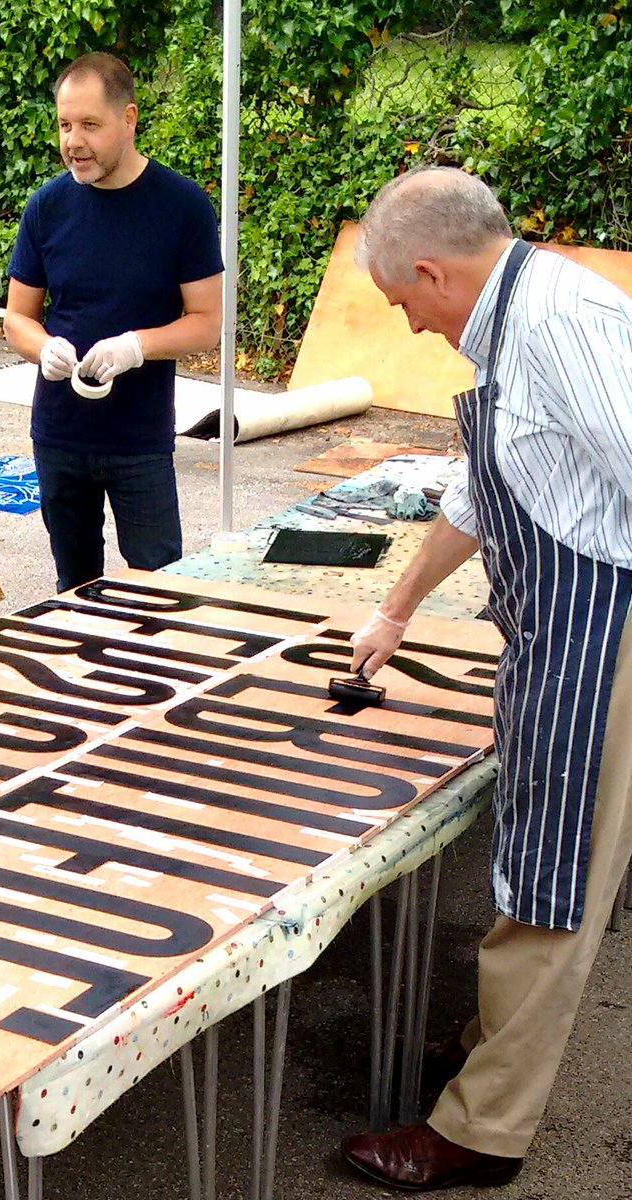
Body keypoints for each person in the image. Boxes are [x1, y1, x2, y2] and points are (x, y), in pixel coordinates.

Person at [340, 167, 632, 1191]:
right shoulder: (515, 316)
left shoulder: (557, 321)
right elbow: (483, 487)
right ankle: (487, 1041)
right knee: (534, 842)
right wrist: (395, 606)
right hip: (559, 625)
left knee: (557, 875)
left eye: (401, 303)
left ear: (430, 270)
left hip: (601, 631)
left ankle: (482, 1128)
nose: (409, 325)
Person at [4, 52, 223, 594]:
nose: (73, 141)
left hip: (139, 438)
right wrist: (44, 347)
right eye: (64, 125)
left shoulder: (183, 206)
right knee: (73, 589)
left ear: (129, 120)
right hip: (60, 434)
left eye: (89, 125)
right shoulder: (47, 207)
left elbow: (207, 324)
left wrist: (137, 346)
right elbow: (16, 319)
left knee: (157, 586)